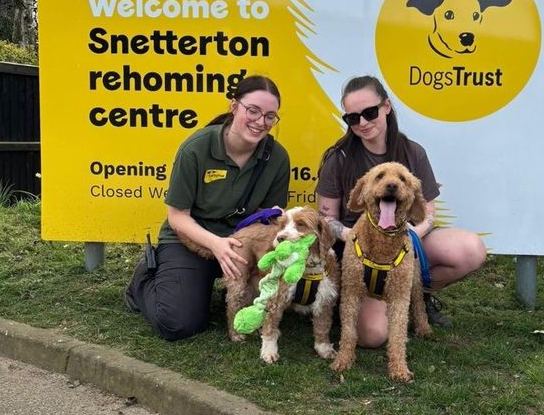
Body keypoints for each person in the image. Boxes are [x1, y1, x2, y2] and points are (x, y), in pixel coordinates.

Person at [315, 75, 486, 346]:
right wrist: (351, 234)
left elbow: (428, 214)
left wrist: (412, 233)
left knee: (470, 249)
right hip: (362, 252)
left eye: (370, 113)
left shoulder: (412, 152)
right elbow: (326, 218)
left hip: (404, 241)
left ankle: (412, 294)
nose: (363, 123)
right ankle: (365, 300)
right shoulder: (339, 158)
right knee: (371, 336)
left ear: (387, 106)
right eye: (353, 118)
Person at [124, 75, 290, 341]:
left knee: (273, 303)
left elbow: (271, 218)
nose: (261, 122)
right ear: (234, 106)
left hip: (241, 245)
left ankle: (227, 290)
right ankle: (142, 282)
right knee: (179, 323)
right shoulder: (196, 148)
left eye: (270, 116)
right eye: (253, 111)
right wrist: (216, 244)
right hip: (191, 241)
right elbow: (177, 216)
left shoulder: (277, 157)